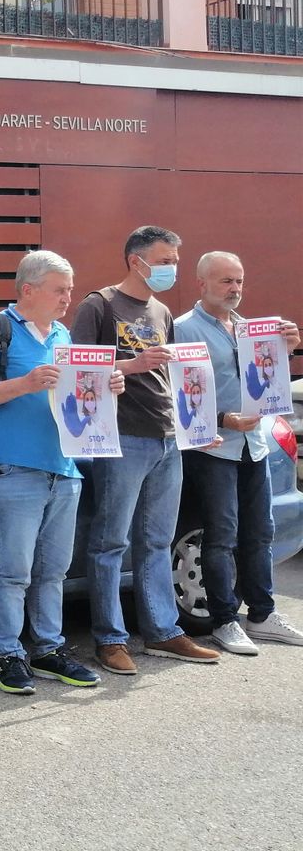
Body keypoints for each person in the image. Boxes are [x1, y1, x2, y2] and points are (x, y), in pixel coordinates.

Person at [0, 252, 122, 695]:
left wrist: (106, 387)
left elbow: (74, 396)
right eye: (60, 289)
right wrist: (25, 383)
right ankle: (7, 654)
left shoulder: (65, 334)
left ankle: (49, 649)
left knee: (53, 569)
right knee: (14, 571)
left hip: (64, 467)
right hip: (13, 466)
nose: (68, 297)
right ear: (28, 289)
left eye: (69, 289)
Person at [71, 226, 221, 673]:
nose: (172, 268)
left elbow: (172, 380)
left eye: (175, 259)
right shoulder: (98, 304)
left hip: (166, 437)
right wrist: (131, 364)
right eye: (165, 260)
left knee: (157, 540)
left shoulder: (160, 310)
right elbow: (76, 369)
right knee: (110, 541)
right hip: (120, 437)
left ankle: (163, 632)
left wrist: (194, 428)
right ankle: (110, 638)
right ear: (136, 261)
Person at [174, 251, 303, 654]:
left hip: (255, 445)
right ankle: (225, 621)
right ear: (202, 283)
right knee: (220, 538)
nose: (235, 289)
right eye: (226, 281)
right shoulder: (183, 330)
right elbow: (181, 397)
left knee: (260, 533)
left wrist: (289, 349)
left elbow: (268, 382)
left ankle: (262, 615)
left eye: (240, 281)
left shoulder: (252, 330)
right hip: (214, 448)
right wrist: (222, 419)